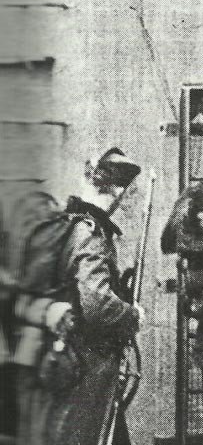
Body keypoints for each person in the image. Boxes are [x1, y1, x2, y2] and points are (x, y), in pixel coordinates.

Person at [16, 147, 143, 445]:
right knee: (89, 434)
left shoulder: (65, 222)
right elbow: (97, 305)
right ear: (117, 190)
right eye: (129, 192)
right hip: (88, 360)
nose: (130, 200)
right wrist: (131, 312)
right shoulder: (91, 233)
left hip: (60, 353)